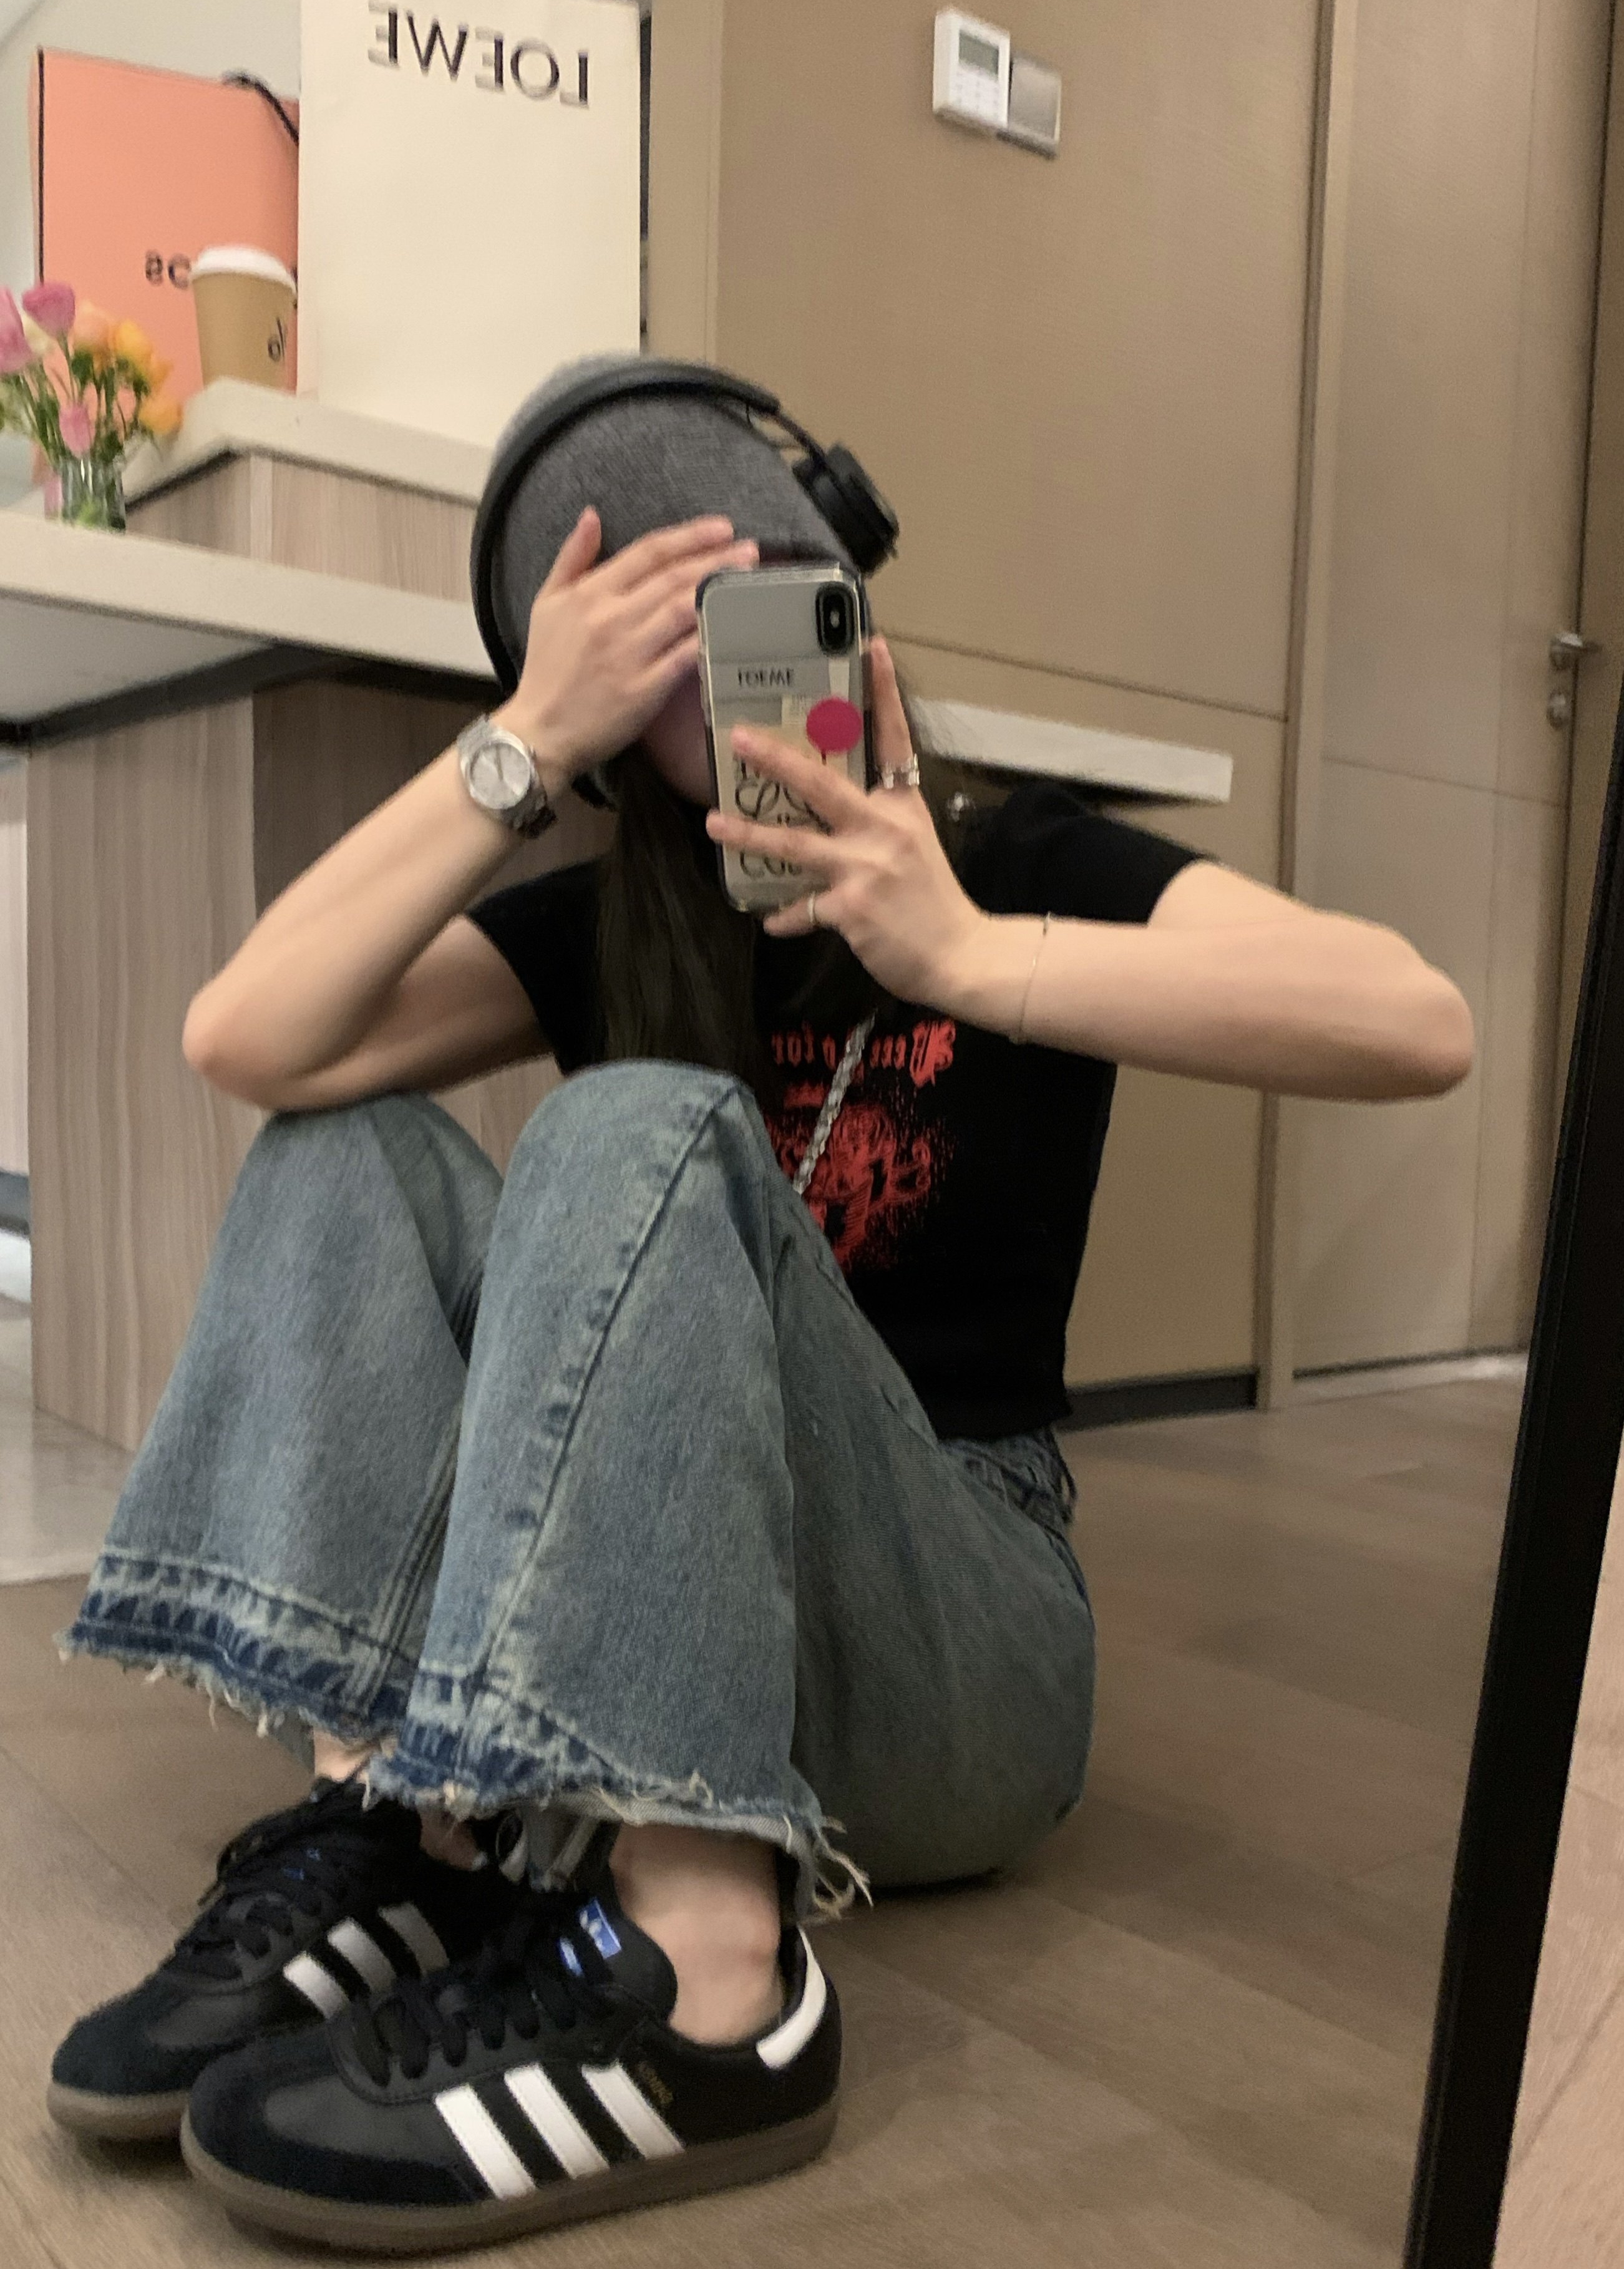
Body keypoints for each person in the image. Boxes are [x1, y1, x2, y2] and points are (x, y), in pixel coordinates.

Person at [46, 357, 1474, 2253]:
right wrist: (519, 743)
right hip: (648, 1635)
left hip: (954, 1655)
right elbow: (249, 1036)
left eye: (751, 607)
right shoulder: (610, 922)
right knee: (344, 1139)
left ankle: (714, 1984)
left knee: (635, 1124)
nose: (715, 684)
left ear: (841, 594)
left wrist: (966, 952)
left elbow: (1413, 1022)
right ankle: (405, 1824)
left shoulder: (1018, 865)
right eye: (649, 653)